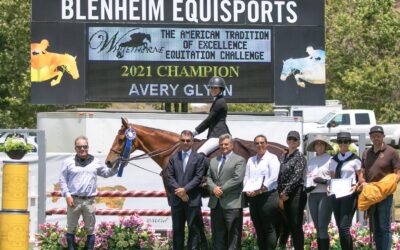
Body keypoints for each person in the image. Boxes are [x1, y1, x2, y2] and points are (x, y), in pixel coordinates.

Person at [59, 136, 118, 250]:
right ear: (75, 148)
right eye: (79, 147)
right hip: (73, 200)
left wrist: (118, 166)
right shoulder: (67, 162)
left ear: (88, 147)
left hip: (89, 201)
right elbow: (62, 180)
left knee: (90, 230)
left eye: (85, 146)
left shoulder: (95, 161)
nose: (82, 149)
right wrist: (67, 195)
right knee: (71, 229)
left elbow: (106, 173)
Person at [359, 126, 400, 250]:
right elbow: (362, 172)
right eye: (373, 135)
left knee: (384, 226)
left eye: (378, 135)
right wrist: (362, 182)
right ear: (370, 137)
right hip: (371, 194)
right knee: (374, 226)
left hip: (384, 195)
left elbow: (397, 173)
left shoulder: (391, 152)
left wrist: (389, 186)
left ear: (383, 136)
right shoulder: (366, 153)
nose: (376, 138)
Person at [167, 130, 209, 250]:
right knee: (177, 230)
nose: (185, 143)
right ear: (180, 141)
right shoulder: (173, 158)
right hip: (177, 201)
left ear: (192, 142)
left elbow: (198, 177)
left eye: (188, 141)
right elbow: (170, 177)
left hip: (192, 200)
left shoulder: (199, 158)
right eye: (183, 140)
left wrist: (184, 190)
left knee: (194, 231)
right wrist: (180, 193)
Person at [206, 133, 246, 250]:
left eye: (226, 144)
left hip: (232, 204)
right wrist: (213, 188)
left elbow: (237, 178)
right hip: (216, 204)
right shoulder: (213, 160)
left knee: (233, 237)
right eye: (221, 144)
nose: (223, 146)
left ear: (232, 145)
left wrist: (221, 189)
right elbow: (208, 177)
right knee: (218, 237)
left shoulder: (240, 160)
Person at [244, 135, 280, 250]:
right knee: (259, 229)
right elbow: (246, 177)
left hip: (267, 197)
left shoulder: (272, 158)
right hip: (254, 198)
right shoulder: (251, 160)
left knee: (268, 228)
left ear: (266, 143)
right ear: (254, 145)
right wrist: (247, 189)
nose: (259, 145)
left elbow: (273, 177)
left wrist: (260, 190)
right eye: (257, 143)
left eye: (262, 142)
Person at [329, 132, 361, 250]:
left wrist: (356, 186)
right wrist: (329, 186)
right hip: (336, 195)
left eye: (346, 141)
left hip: (349, 195)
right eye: (340, 142)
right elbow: (332, 178)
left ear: (349, 143)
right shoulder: (333, 160)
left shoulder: (355, 159)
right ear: (337, 144)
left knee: (344, 227)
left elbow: (360, 178)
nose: (343, 144)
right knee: (339, 227)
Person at [277, 130, 307, 250]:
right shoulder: (283, 156)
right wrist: (280, 192)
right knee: (286, 224)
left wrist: (286, 191)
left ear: (298, 142)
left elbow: (297, 176)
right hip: (283, 193)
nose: (291, 141)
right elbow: (278, 175)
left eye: (294, 139)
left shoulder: (300, 156)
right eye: (289, 139)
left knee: (295, 225)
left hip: (296, 193)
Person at [305, 135, 333, 250]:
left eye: (322, 143)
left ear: (325, 146)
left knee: (322, 226)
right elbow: (308, 177)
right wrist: (307, 185)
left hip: (324, 194)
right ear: (314, 146)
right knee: (317, 226)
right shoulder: (311, 161)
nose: (319, 146)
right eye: (317, 144)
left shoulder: (331, 159)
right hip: (312, 195)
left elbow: (335, 180)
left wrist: (324, 181)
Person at [193, 76, 230, 155]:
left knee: (200, 153)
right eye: (211, 88)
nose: (212, 90)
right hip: (216, 133)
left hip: (219, 135)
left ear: (220, 89)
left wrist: (195, 132)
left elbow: (209, 120)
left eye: (215, 88)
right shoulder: (218, 100)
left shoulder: (220, 102)